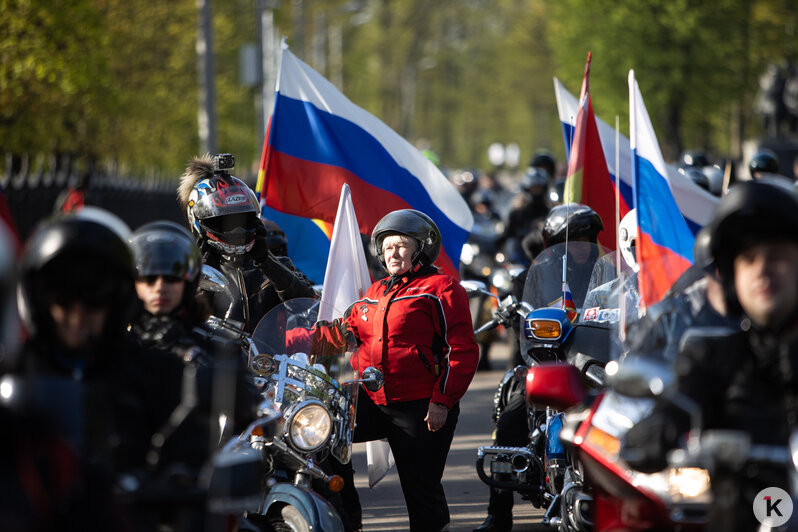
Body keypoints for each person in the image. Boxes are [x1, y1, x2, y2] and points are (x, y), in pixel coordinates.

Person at [620, 181, 798, 531]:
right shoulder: (713, 355)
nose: (762, 270)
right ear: (732, 278)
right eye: (749, 259)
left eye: (777, 257)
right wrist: (657, 429)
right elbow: (677, 400)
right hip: (742, 516)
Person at [329, 209, 479, 532]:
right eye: (386, 248)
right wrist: (290, 333)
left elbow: (462, 350)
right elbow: (339, 333)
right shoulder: (373, 293)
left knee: (421, 491)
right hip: (373, 399)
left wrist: (442, 401)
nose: (392, 253)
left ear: (419, 248)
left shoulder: (441, 288)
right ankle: (347, 515)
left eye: (400, 245)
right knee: (323, 431)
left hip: (421, 406)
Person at [475, 203, 605, 532]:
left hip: (595, 364)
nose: (579, 245)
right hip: (550, 365)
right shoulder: (534, 276)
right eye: (571, 239)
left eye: (585, 237)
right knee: (510, 421)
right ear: (554, 244)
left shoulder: (609, 272)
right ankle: (499, 514)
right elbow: (521, 317)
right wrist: (521, 354)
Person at [127, 220, 261, 529]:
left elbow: (250, 408)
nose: (160, 285)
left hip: (199, 489)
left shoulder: (214, 346)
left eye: (171, 275)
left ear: (188, 281)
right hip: (127, 492)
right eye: (149, 277)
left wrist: (256, 408)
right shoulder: (115, 348)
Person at [177, 153, 315, 332]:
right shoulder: (188, 274)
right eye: (224, 222)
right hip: (218, 358)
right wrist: (205, 273)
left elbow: (306, 305)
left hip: (268, 358)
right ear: (200, 222)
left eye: (242, 219)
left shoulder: (279, 267)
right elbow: (187, 322)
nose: (237, 230)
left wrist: (266, 261)